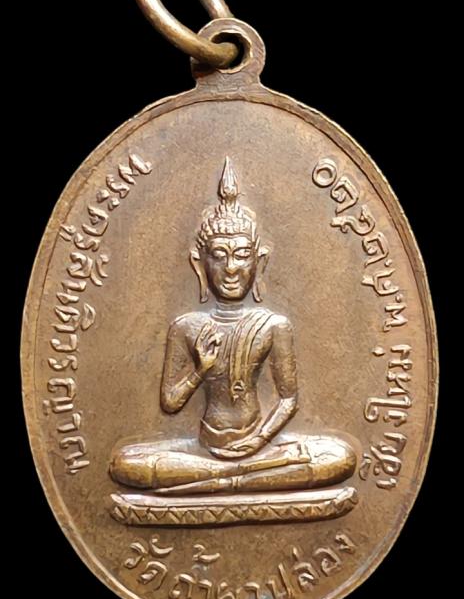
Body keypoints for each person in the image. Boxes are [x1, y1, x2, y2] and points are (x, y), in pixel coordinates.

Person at [110, 157, 356, 495]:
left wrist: (259, 440)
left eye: (241, 255)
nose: (230, 268)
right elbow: (170, 403)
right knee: (126, 463)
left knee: (340, 457)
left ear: (259, 262)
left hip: (261, 448)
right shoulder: (186, 326)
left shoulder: (273, 325)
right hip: (203, 450)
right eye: (219, 255)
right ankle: (236, 478)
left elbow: (289, 400)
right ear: (200, 265)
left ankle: (224, 479)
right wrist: (200, 370)